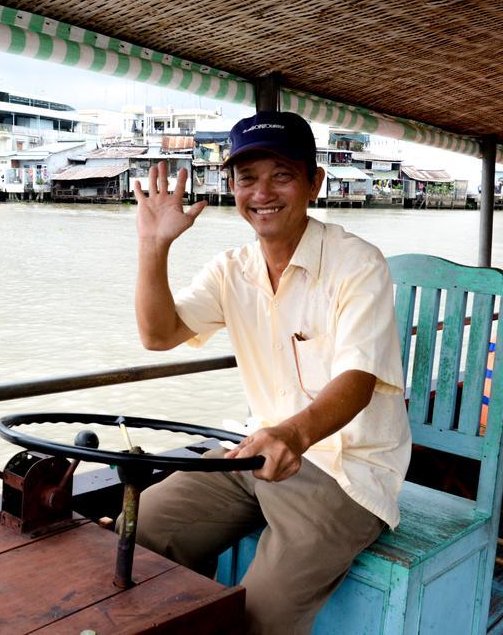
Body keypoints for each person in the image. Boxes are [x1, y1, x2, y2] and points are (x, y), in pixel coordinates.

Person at [131, 110, 411, 634]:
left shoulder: (357, 263)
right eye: (247, 179)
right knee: (137, 531)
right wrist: (154, 245)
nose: (263, 192)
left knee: (258, 617)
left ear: (314, 182)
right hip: (255, 452)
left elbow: (358, 380)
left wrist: (293, 433)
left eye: (281, 175)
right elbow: (159, 334)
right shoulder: (230, 269)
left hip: (347, 473)